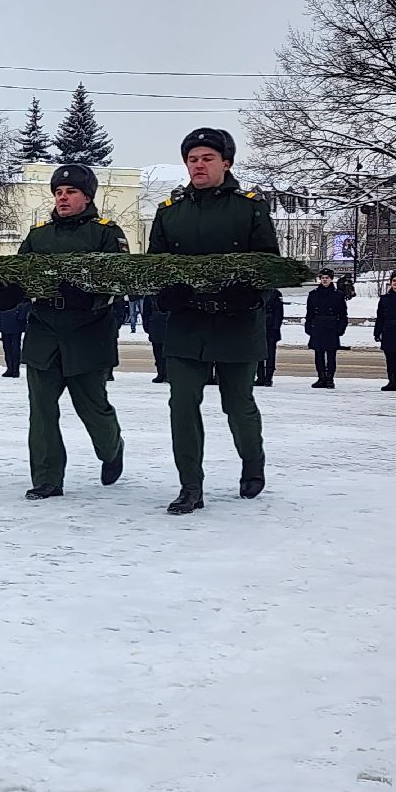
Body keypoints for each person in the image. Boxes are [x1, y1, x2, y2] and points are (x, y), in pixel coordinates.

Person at [148, 127, 279, 515]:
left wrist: (253, 293)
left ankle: (252, 463)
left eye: (207, 158)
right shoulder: (170, 211)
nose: (198, 165)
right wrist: (165, 294)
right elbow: (157, 264)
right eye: (192, 159)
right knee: (182, 404)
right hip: (188, 324)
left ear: (226, 163)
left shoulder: (250, 207)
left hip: (237, 322)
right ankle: (190, 485)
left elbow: (268, 264)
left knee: (237, 404)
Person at [0, 163, 128, 501]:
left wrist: (91, 296)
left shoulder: (106, 232)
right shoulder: (39, 235)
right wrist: (12, 292)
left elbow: (120, 277)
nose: (63, 198)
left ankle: (112, 448)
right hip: (44, 330)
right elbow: (20, 272)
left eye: (70, 192)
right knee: (41, 410)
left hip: (89, 331)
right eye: (58, 192)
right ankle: (47, 478)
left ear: (87, 196)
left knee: (92, 407)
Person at [305, 268, 347, 389]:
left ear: (331, 279)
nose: (325, 280)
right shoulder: (313, 294)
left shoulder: (338, 295)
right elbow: (309, 313)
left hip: (331, 327)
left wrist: (341, 328)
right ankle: (321, 378)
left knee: (331, 355)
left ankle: (330, 379)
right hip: (317, 326)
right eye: (323, 278)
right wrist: (308, 326)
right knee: (318, 354)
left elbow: (343, 314)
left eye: (327, 278)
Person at [255, 289, 283, 387]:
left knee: (270, 354)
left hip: (271, 327)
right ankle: (260, 377)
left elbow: (279, 313)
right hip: (259, 326)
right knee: (259, 354)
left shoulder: (275, 294)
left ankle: (268, 378)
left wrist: (276, 327)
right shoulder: (256, 292)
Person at [0, 299, 30, 378]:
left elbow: (26, 305)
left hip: (15, 324)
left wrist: (21, 317)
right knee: (7, 348)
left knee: (15, 348)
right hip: (6, 323)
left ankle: (15, 370)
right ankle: (10, 368)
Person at [140, 294, 169, 383]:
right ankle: (162, 373)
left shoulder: (151, 295)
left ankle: (164, 373)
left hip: (162, 324)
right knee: (159, 352)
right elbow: (146, 312)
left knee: (162, 352)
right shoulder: (150, 296)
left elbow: (146, 312)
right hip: (157, 325)